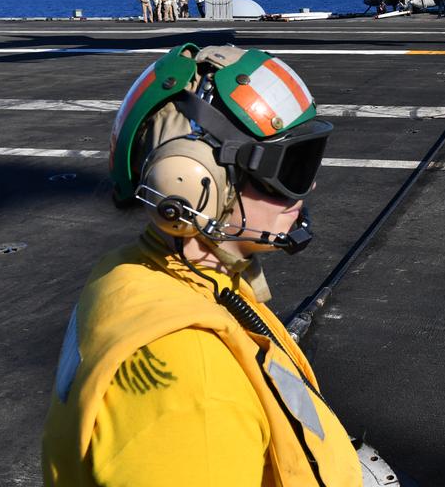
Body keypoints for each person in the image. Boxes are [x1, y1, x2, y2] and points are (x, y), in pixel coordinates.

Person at [42, 44, 364, 487]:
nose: (306, 188)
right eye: (290, 167)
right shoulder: (194, 387)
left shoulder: (132, 273)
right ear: (193, 188)